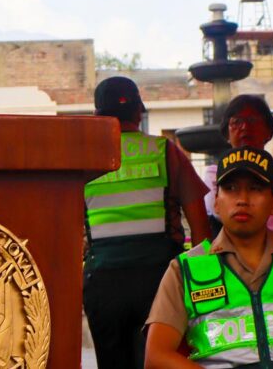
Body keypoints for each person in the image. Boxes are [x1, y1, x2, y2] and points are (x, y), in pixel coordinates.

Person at [144, 146, 273, 369]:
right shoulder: (185, 267)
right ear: (216, 201)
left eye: (255, 188)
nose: (242, 199)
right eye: (231, 188)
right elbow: (156, 356)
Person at [83, 76, 210, 369]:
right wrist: (200, 286)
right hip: (161, 280)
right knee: (161, 360)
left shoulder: (88, 160)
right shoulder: (165, 151)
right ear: (140, 111)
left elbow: (69, 227)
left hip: (103, 282)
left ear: (96, 116)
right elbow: (200, 228)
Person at [204, 94, 273, 235]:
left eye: (253, 120)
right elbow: (223, 214)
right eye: (236, 122)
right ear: (227, 132)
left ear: (269, 131)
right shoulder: (214, 173)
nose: (245, 127)